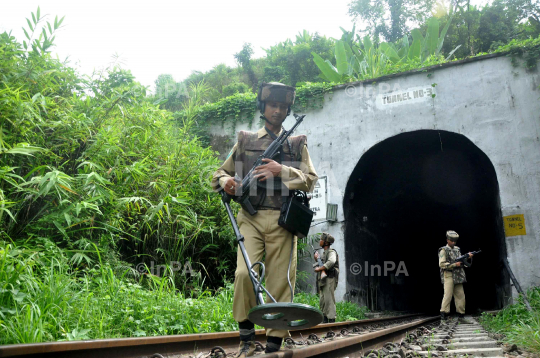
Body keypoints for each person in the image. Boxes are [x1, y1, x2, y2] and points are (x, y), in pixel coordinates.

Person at [212, 82, 318, 357]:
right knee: (244, 273)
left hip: (284, 221)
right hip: (251, 218)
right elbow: (219, 173)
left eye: (283, 107)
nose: (278, 111)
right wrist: (227, 183)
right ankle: (246, 335)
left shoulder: (296, 144)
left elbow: (310, 181)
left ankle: (273, 345)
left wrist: (280, 170)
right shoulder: (246, 140)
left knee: (280, 281)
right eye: (273, 105)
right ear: (263, 107)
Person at [438, 230, 474, 321]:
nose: (453, 242)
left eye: (454, 241)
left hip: (458, 275)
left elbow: (462, 262)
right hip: (449, 275)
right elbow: (441, 264)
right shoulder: (443, 250)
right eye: (451, 241)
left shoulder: (457, 249)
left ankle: (461, 315)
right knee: (448, 295)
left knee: (460, 295)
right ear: (447, 240)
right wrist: (454, 265)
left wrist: (467, 258)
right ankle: (444, 314)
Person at [313, 232, 339, 323]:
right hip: (324, 280)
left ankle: (331, 320)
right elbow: (323, 263)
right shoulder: (324, 253)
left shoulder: (331, 252)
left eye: (321, 240)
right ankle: (325, 320)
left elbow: (332, 261)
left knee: (329, 300)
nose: (320, 241)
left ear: (326, 242)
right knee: (323, 301)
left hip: (330, 279)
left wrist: (320, 268)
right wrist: (317, 259)